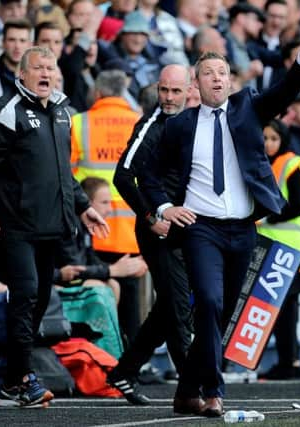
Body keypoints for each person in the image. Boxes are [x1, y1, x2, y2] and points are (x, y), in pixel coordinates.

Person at [139, 20, 300, 417]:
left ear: (230, 80)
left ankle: (186, 390)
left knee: (223, 312)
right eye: (208, 74)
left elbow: (285, 90)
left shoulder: (248, 106)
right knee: (207, 301)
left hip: (244, 228)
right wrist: (162, 208)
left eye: (222, 73)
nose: (216, 79)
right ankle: (213, 391)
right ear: (196, 85)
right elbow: (150, 174)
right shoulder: (179, 126)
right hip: (200, 227)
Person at [0, 46, 109, 408]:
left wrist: (83, 207)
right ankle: (28, 378)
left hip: (50, 226)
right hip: (13, 224)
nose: (46, 73)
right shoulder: (4, 110)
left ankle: (11, 383)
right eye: (39, 67)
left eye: (51, 67)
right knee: (26, 294)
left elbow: (63, 172)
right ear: (22, 73)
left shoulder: (61, 111)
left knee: (41, 300)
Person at [110, 63, 193, 405]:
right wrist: (150, 216)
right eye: (164, 90)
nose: (169, 98)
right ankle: (195, 387)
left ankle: (123, 371)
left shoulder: (196, 123)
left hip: (188, 229)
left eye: (176, 91)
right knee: (177, 309)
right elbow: (122, 176)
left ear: (190, 91)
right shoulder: (150, 125)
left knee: (169, 309)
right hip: (158, 230)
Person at [70, 69, 142, 344]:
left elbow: (68, 174)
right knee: (131, 298)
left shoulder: (79, 123)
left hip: (91, 227)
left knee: (97, 295)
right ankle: (135, 363)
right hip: (130, 229)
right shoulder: (138, 123)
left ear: (97, 92)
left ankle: (103, 354)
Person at [257, 118, 300, 380]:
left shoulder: (292, 166)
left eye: (273, 139)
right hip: (275, 251)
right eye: (265, 138)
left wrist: (267, 218)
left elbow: (297, 207)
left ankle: (289, 363)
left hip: (289, 252)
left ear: (283, 141)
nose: (268, 143)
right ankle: (291, 362)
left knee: (285, 312)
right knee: (281, 311)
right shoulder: (266, 164)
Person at [54, 177, 149, 305]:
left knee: (113, 284)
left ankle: (112, 326)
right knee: (99, 287)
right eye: (104, 202)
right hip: (59, 282)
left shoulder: (84, 225)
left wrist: (123, 267)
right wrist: (113, 270)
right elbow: (74, 269)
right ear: (87, 203)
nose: (110, 209)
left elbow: (90, 260)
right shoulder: (71, 225)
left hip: (76, 277)